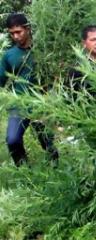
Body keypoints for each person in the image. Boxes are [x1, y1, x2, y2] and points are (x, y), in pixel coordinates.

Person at [1, 13, 57, 166]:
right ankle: (24, 170)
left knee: (47, 141)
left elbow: (56, 75)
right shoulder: (9, 55)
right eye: (12, 33)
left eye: (18, 31)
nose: (15, 36)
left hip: (41, 102)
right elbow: (1, 79)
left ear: (28, 29)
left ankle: (55, 168)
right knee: (12, 140)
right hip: (19, 103)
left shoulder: (44, 51)